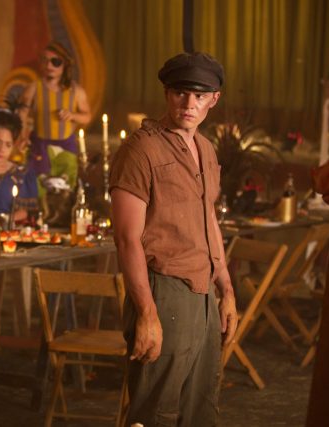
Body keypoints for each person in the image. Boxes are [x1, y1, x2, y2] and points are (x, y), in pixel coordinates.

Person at [109, 52, 238, 426]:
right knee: (156, 410)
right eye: (181, 92)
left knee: (200, 407)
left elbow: (209, 220)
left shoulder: (206, 149)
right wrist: (147, 313)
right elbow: (127, 239)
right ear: (167, 93)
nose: (189, 104)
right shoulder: (141, 150)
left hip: (204, 292)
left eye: (200, 96)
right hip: (163, 290)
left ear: (214, 99)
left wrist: (226, 289)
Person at [19, 41, 91, 189]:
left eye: (55, 62)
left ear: (65, 64)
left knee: (65, 187)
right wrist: (22, 136)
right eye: (45, 60)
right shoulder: (34, 87)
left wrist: (72, 115)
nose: (49, 65)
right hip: (39, 145)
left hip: (66, 146)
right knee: (38, 187)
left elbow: (87, 116)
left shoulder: (76, 91)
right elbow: (22, 113)